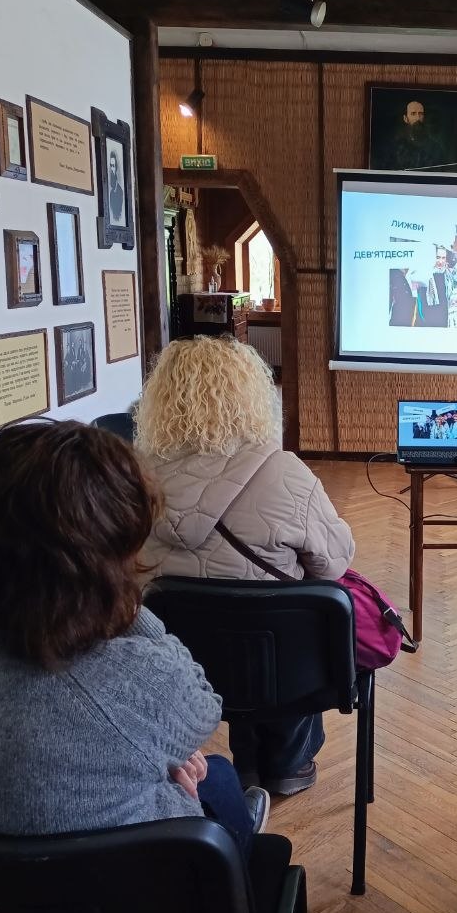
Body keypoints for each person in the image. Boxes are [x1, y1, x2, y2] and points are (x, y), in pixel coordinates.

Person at [0, 420, 269, 856]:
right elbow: (205, 704)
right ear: (111, 554)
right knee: (213, 776)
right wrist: (126, 602)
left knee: (209, 771)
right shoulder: (141, 679)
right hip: (130, 890)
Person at [136, 336, 355, 796]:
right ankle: (287, 763)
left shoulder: (134, 477)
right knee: (287, 620)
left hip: (178, 663)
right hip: (282, 666)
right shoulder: (284, 471)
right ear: (251, 396)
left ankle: (247, 763)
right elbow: (334, 562)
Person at [383, 98, 447, 171]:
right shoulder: (396, 147)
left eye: (421, 114)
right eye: (413, 114)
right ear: (405, 118)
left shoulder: (435, 149)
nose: (418, 118)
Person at [108, 148, 125, 226]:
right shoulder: (110, 189)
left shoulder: (119, 190)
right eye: (111, 166)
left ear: (116, 167)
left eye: (113, 166)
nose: (112, 169)